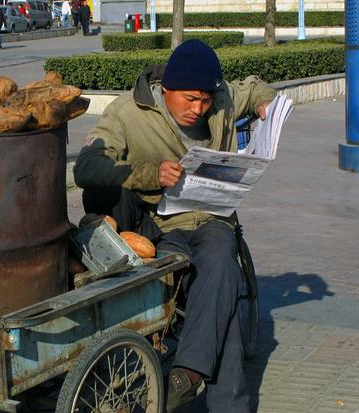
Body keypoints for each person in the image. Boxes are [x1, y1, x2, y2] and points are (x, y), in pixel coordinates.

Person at [73, 39, 276, 413]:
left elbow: (256, 87)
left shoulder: (221, 96)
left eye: (205, 100)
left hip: (212, 219)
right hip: (159, 223)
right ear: (165, 89)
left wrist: (266, 103)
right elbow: (86, 167)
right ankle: (218, 395)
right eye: (189, 100)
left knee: (220, 267)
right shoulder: (127, 112)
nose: (199, 109)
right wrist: (148, 173)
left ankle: (187, 373)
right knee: (220, 294)